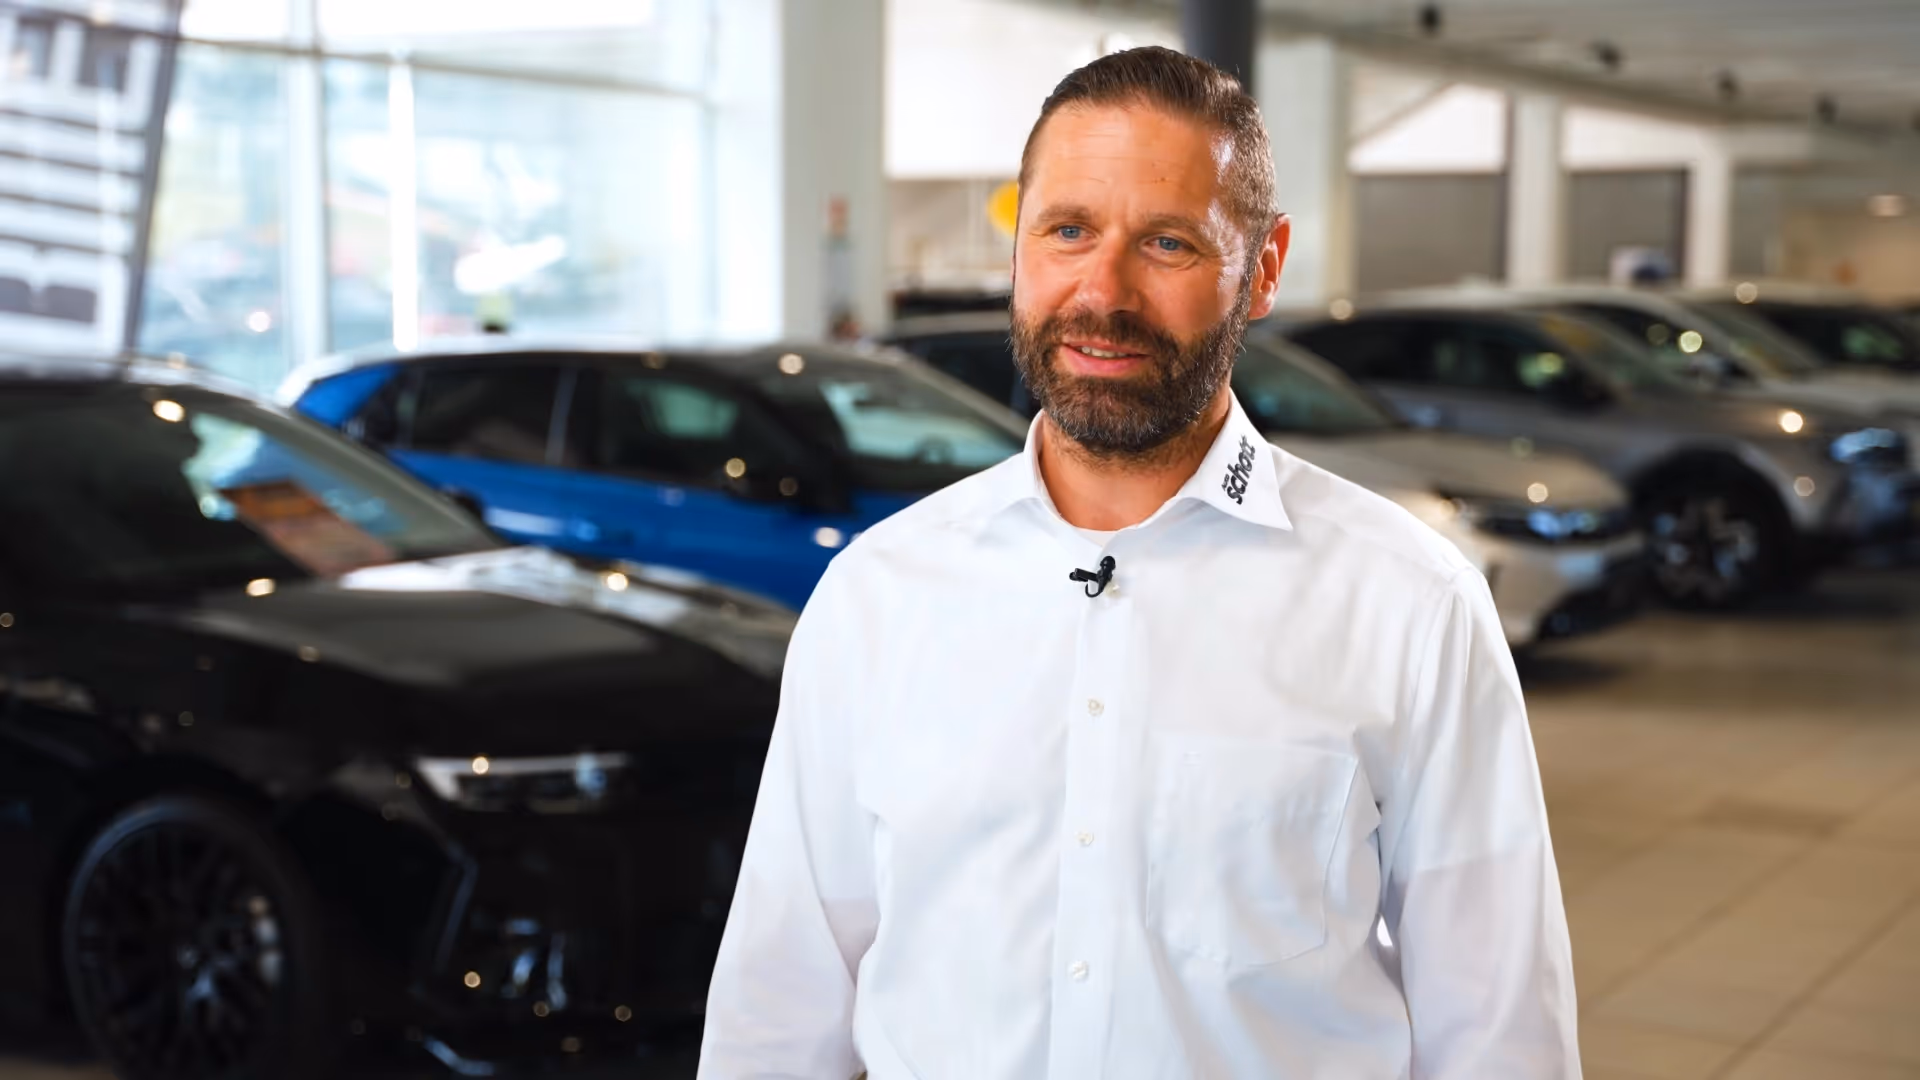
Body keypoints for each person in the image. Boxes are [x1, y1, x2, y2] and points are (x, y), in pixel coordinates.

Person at [699, 46, 1579, 1079]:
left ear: (1263, 268)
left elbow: (1497, 1029)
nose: (1103, 292)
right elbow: (782, 997)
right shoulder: (878, 594)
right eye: (1067, 230)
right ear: (1018, 249)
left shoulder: (1408, 604)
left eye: (1167, 242)